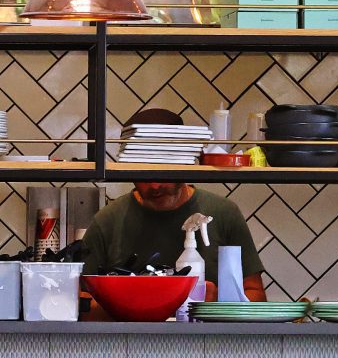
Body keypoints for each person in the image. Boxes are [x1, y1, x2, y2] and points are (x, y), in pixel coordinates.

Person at [79, 107, 267, 296]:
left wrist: (216, 300)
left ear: (184, 163)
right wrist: (120, 304)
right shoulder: (108, 221)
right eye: (142, 173)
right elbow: (78, 299)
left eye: (163, 171)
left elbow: (256, 295)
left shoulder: (223, 214)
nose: (154, 186)